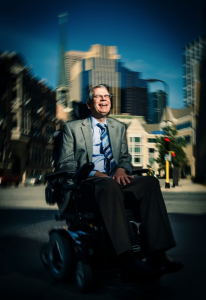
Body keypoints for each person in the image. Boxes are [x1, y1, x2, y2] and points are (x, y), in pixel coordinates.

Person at [57, 84, 183, 280]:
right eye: (98, 97)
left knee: (149, 182)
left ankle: (157, 253)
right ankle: (126, 257)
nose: (103, 99)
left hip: (114, 180)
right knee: (108, 185)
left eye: (106, 96)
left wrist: (122, 168)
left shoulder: (118, 127)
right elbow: (66, 164)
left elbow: (124, 157)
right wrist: (96, 173)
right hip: (87, 184)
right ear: (89, 103)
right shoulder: (72, 128)